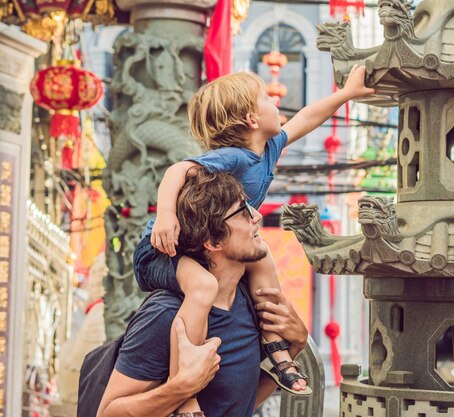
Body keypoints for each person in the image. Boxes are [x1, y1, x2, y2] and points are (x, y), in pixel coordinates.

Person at [135, 65, 374, 412]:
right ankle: (185, 394)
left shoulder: (269, 148)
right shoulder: (234, 157)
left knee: (263, 258)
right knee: (202, 288)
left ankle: (277, 350)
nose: (276, 101)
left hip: (205, 248)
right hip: (162, 251)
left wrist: (346, 94)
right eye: (267, 98)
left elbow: (307, 117)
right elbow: (179, 169)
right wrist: (166, 216)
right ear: (250, 118)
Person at [98, 169, 309, 417]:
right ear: (213, 242)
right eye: (242, 212)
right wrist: (180, 389)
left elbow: (238, 406)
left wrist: (295, 346)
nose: (257, 216)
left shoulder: (247, 302)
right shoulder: (165, 313)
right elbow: (107, 413)